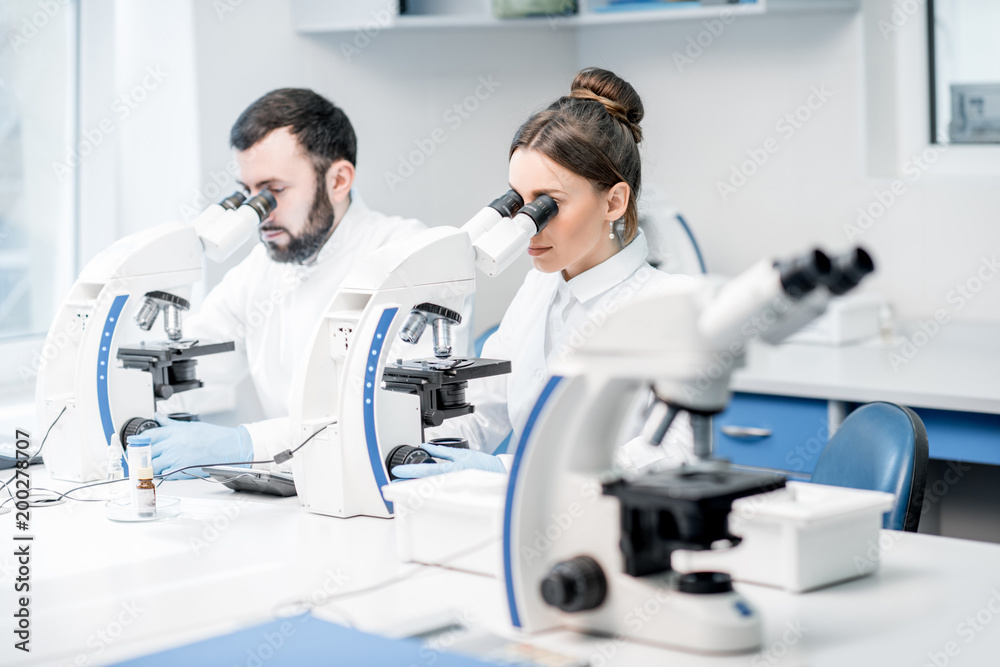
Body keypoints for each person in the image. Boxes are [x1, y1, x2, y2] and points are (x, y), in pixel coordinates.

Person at [392, 67, 693, 479]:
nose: (526, 226)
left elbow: (673, 453)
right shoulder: (539, 287)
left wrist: (506, 470)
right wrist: (413, 447)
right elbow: (484, 412)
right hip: (523, 512)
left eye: (547, 204)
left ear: (613, 202)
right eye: (519, 201)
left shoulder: (672, 304)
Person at [132, 89, 429, 475]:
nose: (260, 214)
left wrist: (243, 445)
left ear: (338, 180)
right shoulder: (259, 271)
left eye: (273, 191)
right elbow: (195, 367)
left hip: (380, 487)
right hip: (293, 489)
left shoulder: (406, 256)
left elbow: (385, 420)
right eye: (247, 193)